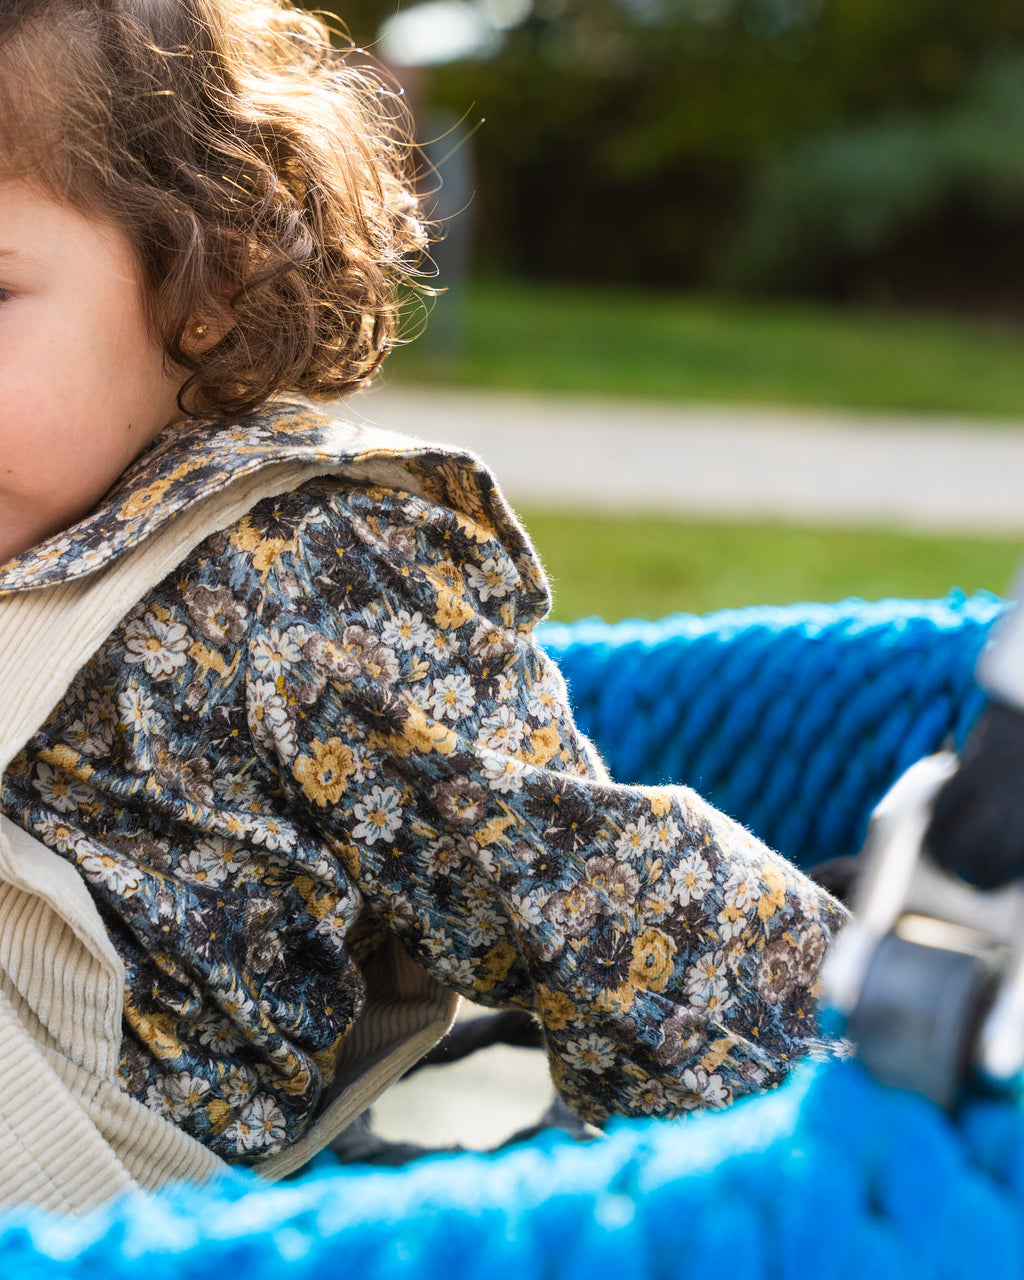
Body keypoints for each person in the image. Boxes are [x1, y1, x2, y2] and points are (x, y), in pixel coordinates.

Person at [0, 0, 846, 1185]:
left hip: (91, 1206)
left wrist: (883, 1115)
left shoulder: (311, 576)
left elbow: (603, 900)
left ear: (207, 282)